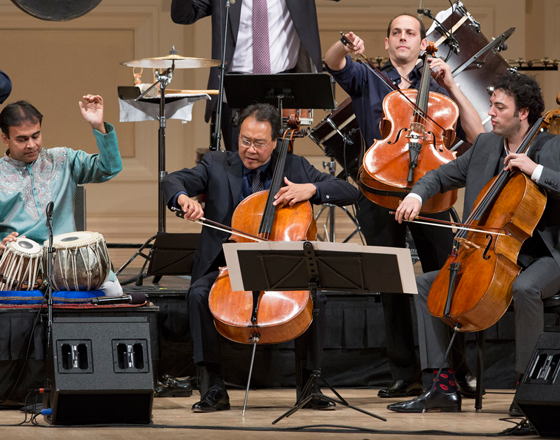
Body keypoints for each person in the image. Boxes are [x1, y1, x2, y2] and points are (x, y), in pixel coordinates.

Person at [391, 72, 560, 413]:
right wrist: (417, 196)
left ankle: (529, 389)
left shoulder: (557, 146)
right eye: (491, 105)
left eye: (498, 107)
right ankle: (443, 386)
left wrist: (535, 171)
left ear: (523, 113)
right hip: (490, 254)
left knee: (525, 288)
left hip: (546, 257)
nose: (489, 113)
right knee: (424, 285)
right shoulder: (486, 146)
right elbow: (440, 175)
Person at [323, 14, 484, 399]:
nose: (402, 38)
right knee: (390, 283)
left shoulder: (442, 87)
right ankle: (404, 372)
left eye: (410, 33)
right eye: (396, 32)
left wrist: (452, 85)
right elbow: (332, 62)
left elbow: (479, 137)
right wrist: (345, 45)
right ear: (387, 41)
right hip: (378, 192)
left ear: (422, 42)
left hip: (431, 195)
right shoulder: (368, 77)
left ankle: (455, 371)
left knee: (444, 280)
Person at [162, 103, 360, 412]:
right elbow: (172, 181)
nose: (249, 149)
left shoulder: (294, 167)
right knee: (199, 294)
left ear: (276, 142)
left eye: (259, 143)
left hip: (281, 265)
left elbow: (348, 191)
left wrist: (311, 189)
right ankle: (212, 386)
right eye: (244, 140)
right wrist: (184, 198)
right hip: (228, 264)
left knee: (316, 301)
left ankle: (309, 387)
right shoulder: (216, 163)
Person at [0, 95, 124, 301]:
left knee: (113, 291)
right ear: (6, 139)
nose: (31, 144)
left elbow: (109, 168)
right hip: (16, 266)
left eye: (35, 136)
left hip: (68, 264)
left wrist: (98, 126)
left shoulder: (63, 160)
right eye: (22, 139)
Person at [171, 0, 323, 151]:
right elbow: (183, 15)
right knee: (237, 167)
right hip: (235, 89)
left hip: (281, 88)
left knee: (279, 168)